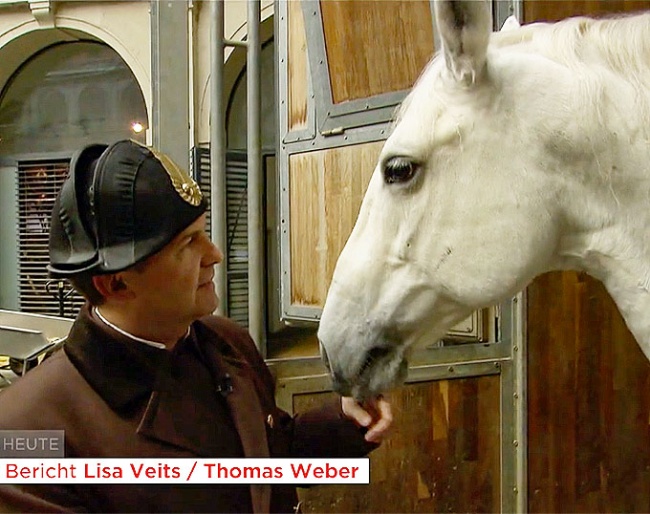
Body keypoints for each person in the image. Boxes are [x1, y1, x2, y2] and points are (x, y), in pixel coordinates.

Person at [0, 140, 392, 513]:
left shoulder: (226, 342)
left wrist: (343, 422)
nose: (215, 254)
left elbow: (265, 454)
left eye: (203, 233)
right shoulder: (26, 430)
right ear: (116, 283)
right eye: (187, 244)